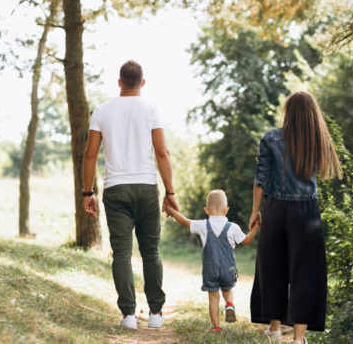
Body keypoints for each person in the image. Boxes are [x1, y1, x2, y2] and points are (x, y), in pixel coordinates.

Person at [82, 60, 179, 330]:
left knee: (122, 253)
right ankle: (156, 314)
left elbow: (90, 154)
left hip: (115, 189)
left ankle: (128, 316)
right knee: (151, 251)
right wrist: (170, 192)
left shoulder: (101, 110)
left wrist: (87, 192)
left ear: (119, 81)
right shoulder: (151, 109)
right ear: (143, 83)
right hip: (147, 188)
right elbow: (163, 153)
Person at [249, 91, 343, 344]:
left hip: (276, 208)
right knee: (305, 274)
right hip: (307, 214)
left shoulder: (271, 138)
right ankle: (299, 339)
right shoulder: (318, 138)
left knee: (272, 268)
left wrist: (255, 211)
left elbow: (261, 178)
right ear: (312, 112)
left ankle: (275, 330)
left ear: (288, 111)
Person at [166, 189, 259, 332]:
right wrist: (256, 228)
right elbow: (246, 241)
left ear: (206, 210)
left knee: (213, 297)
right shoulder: (233, 227)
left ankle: (216, 327)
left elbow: (184, 221)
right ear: (226, 210)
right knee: (227, 290)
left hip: (210, 269)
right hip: (228, 268)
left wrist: (170, 210)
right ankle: (229, 304)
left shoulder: (203, 225)